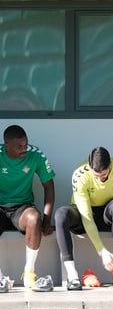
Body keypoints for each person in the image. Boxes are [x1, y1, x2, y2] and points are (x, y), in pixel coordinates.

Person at [53, 147, 113, 291]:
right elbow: (87, 217)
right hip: (83, 215)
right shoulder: (79, 175)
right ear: (89, 167)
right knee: (61, 215)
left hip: (107, 214)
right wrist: (102, 251)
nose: (100, 178)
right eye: (96, 175)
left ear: (110, 166)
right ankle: (73, 276)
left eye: (104, 175)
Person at [0, 125, 56, 292]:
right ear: (6, 145)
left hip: (21, 208)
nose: (24, 149)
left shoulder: (35, 154)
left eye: (26, 145)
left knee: (34, 218)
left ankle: (29, 274)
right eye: (19, 147)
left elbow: (49, 186)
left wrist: (47, 219)